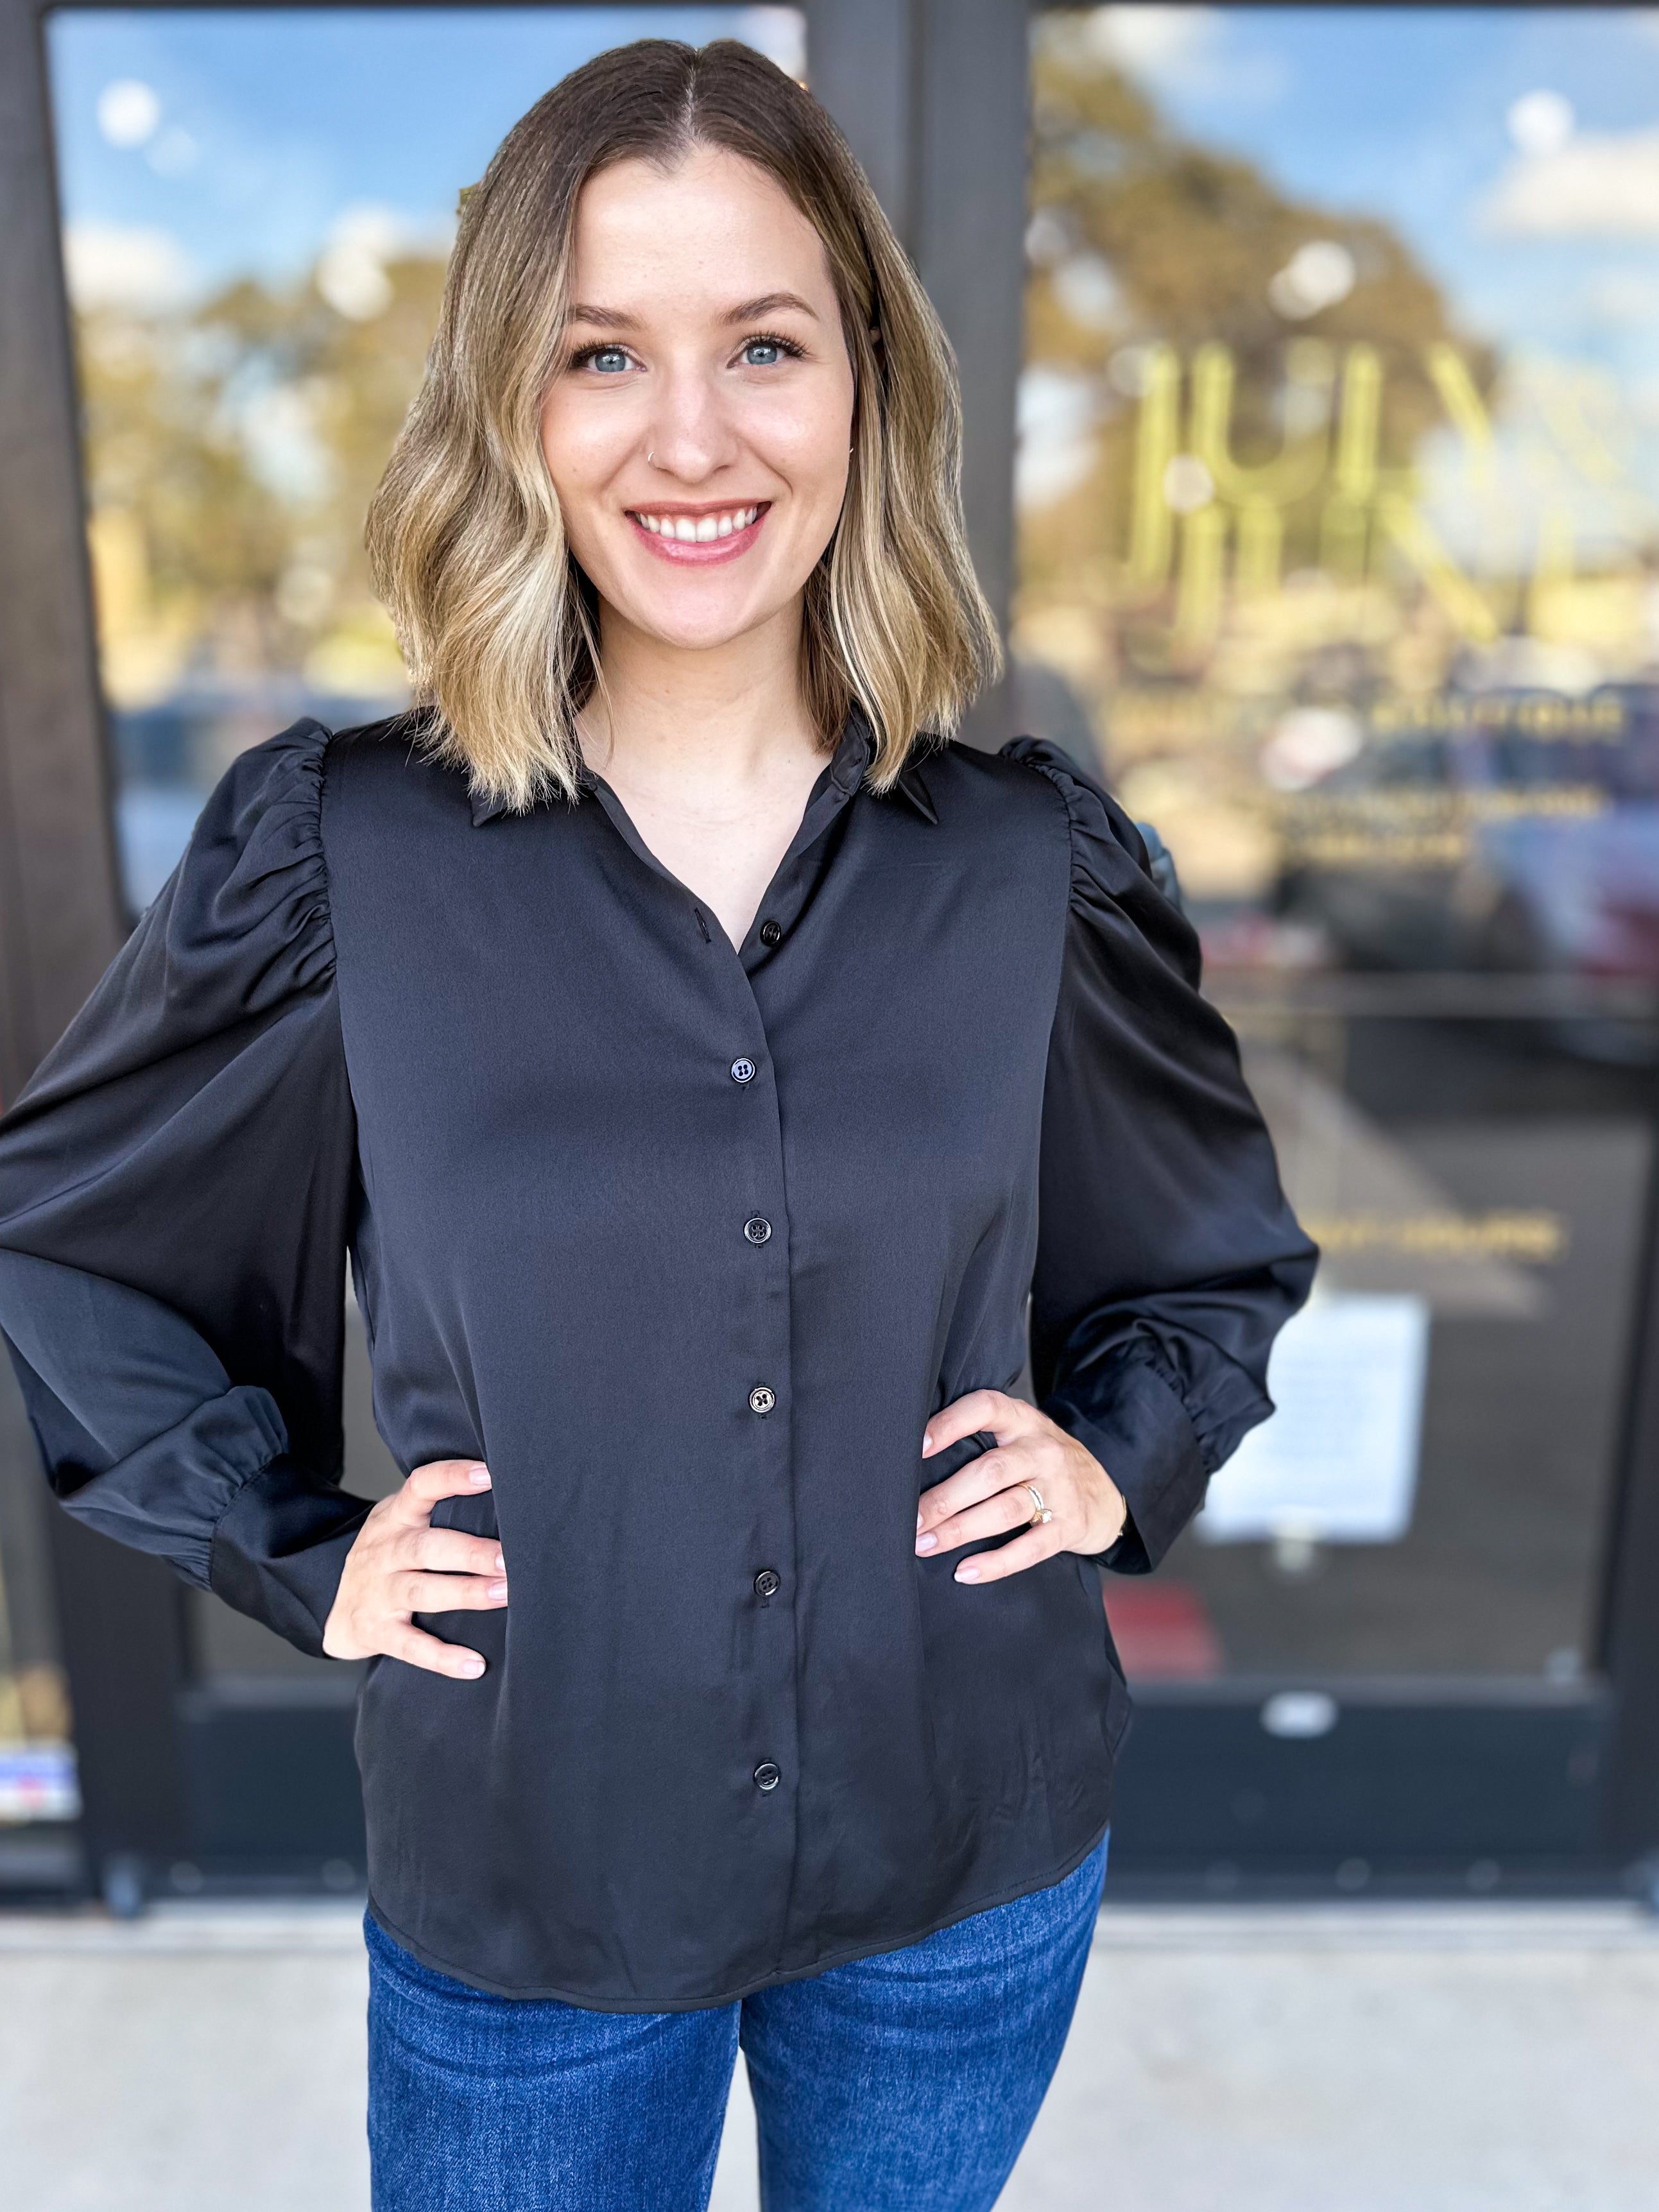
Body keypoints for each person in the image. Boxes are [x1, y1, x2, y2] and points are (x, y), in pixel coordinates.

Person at [0, 39, 1314, 2212]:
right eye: (603, 351)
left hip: (961, 1854)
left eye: (762, 346)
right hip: (535, 1895)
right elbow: (74, 1240)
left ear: (865, 388)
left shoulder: (1022, 866)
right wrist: (300, 1553)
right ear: (512, 404)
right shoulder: (342, 856)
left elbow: (1206, 1260)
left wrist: (1116, 1449)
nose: (689, 435)